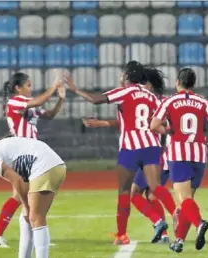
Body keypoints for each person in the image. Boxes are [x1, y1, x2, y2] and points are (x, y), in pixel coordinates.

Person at [65, 61, 177, 245]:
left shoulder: (125, 92)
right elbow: (161, 120)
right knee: (155, 188)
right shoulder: (152, 97)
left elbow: (95, 100)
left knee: (125, 192)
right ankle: (174, 213)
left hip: (130, 149)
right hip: (151, 147)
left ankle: (122, 235)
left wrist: (75, 89)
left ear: (128, 76)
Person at [0, 71, 65, 248]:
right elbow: (38, 101)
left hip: (31, 155)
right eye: (28, 85)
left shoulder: (28, 106)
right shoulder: (16, 101)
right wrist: (53, 86)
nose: (31, 88)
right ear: (18, 88)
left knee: (26, 196)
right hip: (21, 154)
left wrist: (61, 99)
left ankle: (32, 232)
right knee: (21, 195)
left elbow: (49, 115)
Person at [0, 137, 66, 258]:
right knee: (25, 219)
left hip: (44, 166)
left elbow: (17, 180)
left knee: (35, 218)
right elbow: (21, 181)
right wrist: (26, 207)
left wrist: (26, 205)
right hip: (52, 165)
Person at [151, 68, 208, 253]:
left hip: (179, 154)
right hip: (199, 154)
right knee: (188, 201)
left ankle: (199, 224)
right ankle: (179, 240)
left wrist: (168, 131)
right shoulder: (202, 101)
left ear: (177, 82)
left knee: (184, 200)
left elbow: (154, 124)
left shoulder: (170, 101)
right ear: (194, 84)